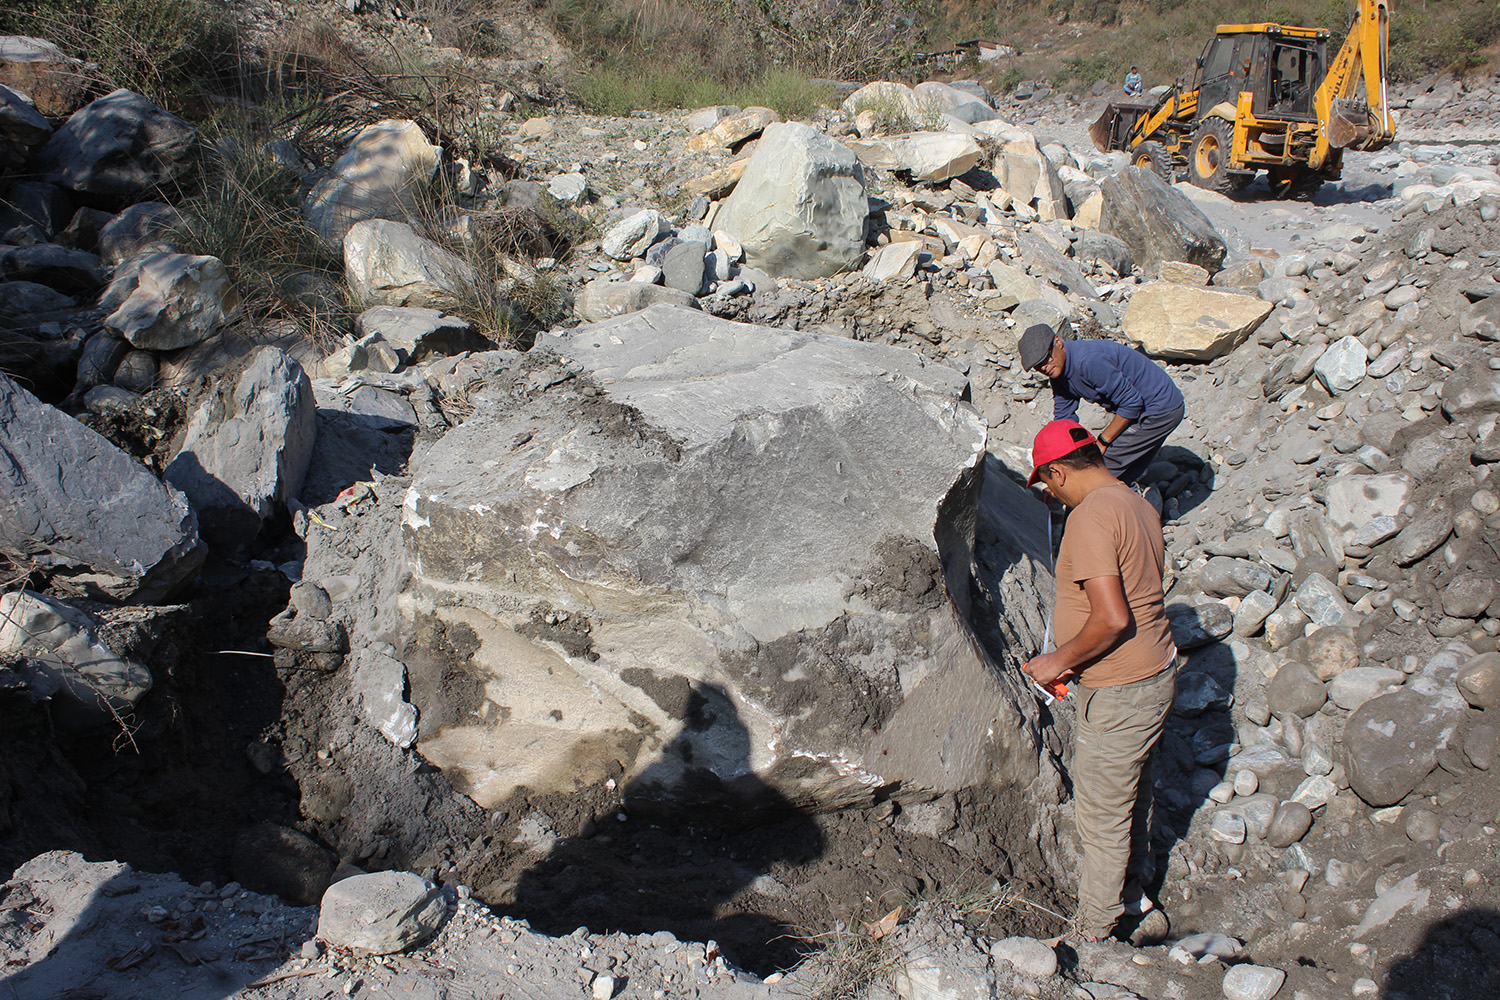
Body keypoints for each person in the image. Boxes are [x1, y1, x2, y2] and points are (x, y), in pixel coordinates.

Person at [1023, 419, 1176, 946]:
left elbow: (1112, 618)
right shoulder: (1136, 502)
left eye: (1046, 483)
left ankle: (1094, 934)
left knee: (1102, 817)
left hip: (1119, 690)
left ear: (1059, 471)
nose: (1050, 493)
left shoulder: (1090, 517)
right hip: (1153, 675)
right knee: (1134, 794)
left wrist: (1058, 661)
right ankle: (1134, 894)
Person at [1017, 324, 1184, 489]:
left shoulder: (1088, 362)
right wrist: (1058, 465)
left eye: (1046, 358)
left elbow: (1132, 403)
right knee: (1121, 474)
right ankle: (1127, 505)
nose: (1044, 367)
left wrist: (1102, 442)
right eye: (1038, 366)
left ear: (1058, 342)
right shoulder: (1058, 372)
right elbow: (1064, 419)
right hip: (1140, 410)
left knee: (1101, 470)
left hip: (1160, 409)